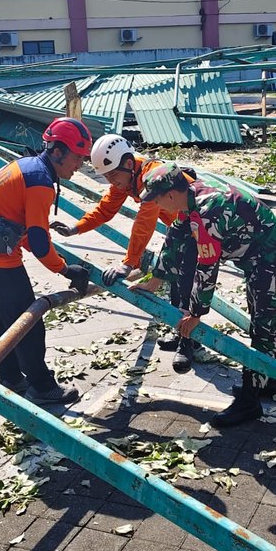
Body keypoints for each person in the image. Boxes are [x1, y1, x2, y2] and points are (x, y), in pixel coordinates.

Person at [131, 163, 276, 428]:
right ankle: (268, 380)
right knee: (262, 320)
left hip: (271, 258)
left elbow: (207, 267)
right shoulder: (190, 200)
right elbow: (174, 239)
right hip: (255, 257)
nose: (158, 205)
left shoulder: (208, 213)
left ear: (171, 195)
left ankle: (250, 401)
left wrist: (195, 313)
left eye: (158, 200)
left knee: (265, 325)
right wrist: (154, 280)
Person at [0, 117, 93, 406]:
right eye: (77, 157)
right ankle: (42, 387)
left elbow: (23, 227)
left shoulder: (27, 166)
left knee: (4, 318)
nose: (79, 165)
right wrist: (64, 268)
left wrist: (51, 258)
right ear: (57, 152)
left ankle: (9, 376)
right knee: (29, 323)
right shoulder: (40, 182)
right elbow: (38, 240)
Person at [49, 134, 199, 373]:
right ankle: (179, 332)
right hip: (178, 232)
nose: (111, 182)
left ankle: (189, 344)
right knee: (174, 283)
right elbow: (105, 209)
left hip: (197, 231)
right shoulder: (126, 179)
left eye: (112, 176)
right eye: (107, 177)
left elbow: (144, 222)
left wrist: (129, 263)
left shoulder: (152, 175)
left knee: (187, 284)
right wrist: (75, 229)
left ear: (128, 164)